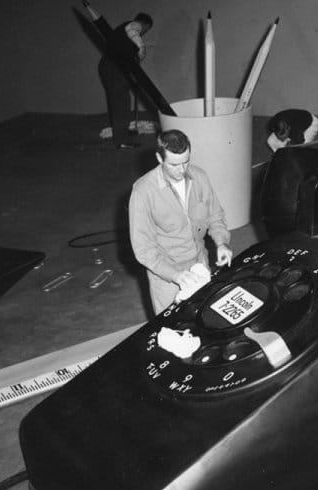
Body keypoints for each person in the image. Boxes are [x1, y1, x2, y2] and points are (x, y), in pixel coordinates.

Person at [129, 129, 232, 314]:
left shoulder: (199, 177)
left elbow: (215, 215)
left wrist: (222, 243)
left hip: (200, 266)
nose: (182, 170)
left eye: (186, 162)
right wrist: (176, 275)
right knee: (173, 329)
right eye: (174, 165)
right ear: (159, 159)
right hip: (167, 276)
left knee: (205, 318)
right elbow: (143, 249)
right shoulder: (143, 191)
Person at [98, 12, 153, 149]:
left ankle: (121, 134)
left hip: (111, 67)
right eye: (146, 29)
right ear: (145, 25)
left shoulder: (122, 33)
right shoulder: (134, 25)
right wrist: (141, 47)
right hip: (113, 68)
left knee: (120, 101)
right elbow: (132, 29)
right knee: (121, 103)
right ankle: (121, 140)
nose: (144, 32)